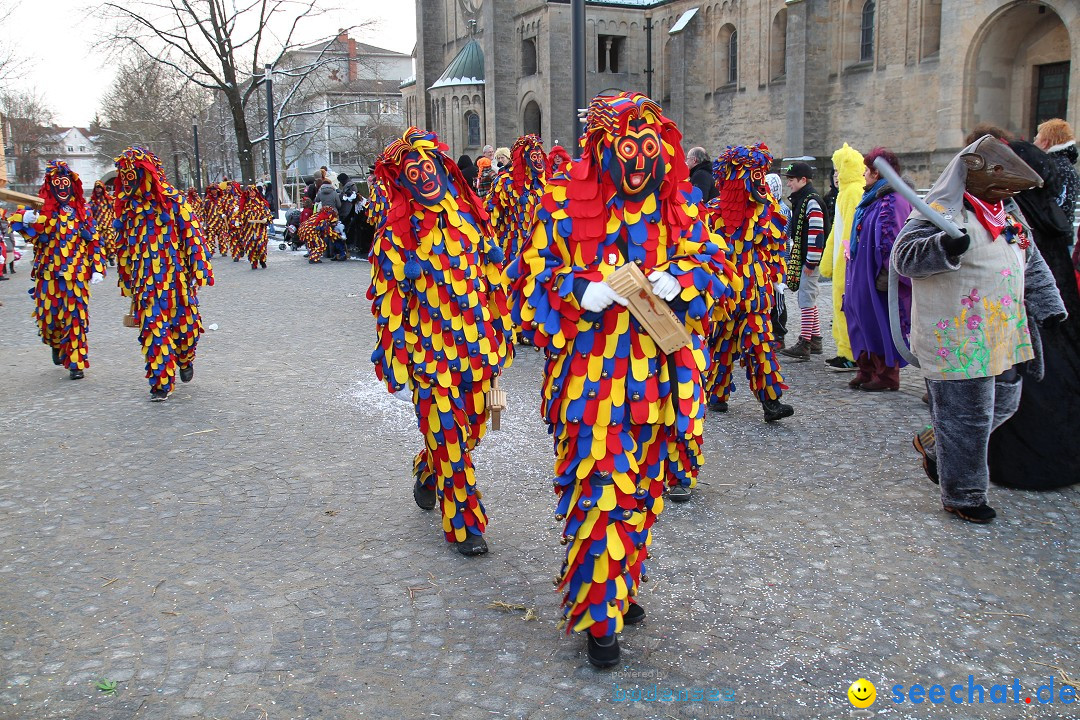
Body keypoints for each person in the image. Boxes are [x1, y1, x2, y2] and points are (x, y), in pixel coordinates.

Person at [508, 92, 737, 668]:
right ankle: (599, 615)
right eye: (627, 148)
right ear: (604, 150)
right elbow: (527, 280)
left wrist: (681, 276)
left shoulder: (681, 207)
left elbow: (720, 266)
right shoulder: (561, 203)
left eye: (649, 149)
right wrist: (580, 290)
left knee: (641, 495)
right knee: (598, 494)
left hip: (661, 383)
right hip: (591, 386)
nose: (639, 162)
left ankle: (620, 582)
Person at [895, 135, 1064, 523]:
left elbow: (1031, 263)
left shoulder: (1008, 213)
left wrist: (1049, 308)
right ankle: (963, 494)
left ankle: (938, 445)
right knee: (967, 418)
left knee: (1005, 402)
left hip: (1004, 332)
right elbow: (904, 258)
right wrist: (944, 247)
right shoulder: (942, 210)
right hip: (959, 335)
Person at [368, 127, 512, 557]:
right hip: (431, 356)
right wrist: (393, 355)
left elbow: (491, 278)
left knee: (472, 432)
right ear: (403, 181)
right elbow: (388, 302)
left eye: (428, 167)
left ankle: (427, 469)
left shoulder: (471, 217)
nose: (425, 176)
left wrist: (501, 329)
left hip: (478, 350)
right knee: (449, 434)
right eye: (414, 171)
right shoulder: (397, 235)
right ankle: (463, 524)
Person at [987, 140, 1080, 490]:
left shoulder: (1019, 211)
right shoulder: (1043, 208)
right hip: (1057, 324)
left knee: (1023, 394)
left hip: (1030, 322)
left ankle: (1019, 463)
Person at [112, 147, 214, 401]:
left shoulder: (175, 202)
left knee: (186, 331)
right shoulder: (128, 212)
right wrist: (127, 279)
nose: (129, 181)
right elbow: (123, 247)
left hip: (177, 283)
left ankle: (185, 358)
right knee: (153, 332)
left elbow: (194, 237)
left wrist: (199, 267)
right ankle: (160, 384)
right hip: (146, 288)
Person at [702, 144, 793, 425]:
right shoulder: (713, 214)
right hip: (725, 295)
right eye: (751, 174)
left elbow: (776, 245)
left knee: (759, 342)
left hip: (755, 294)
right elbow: (704, 251)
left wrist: (777, 275)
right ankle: (715, 394)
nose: (757, 180)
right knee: (721, 345)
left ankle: (771, 402)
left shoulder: (767, 211)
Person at [9, 160, 106, 380]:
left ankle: (76, 363)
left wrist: (97, 267)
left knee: (75, 319)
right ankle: (55, 342)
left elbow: (94, 241)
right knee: (48, 320)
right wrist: (25, 220)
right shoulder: (41, 210)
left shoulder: (83, 213)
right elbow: (21, 228)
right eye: (58, 183)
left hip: (76, 277)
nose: (62, 187)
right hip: (48, 276)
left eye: (66, 183)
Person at [844, 148, 912, 392]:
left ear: (877, 172)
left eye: (867, 170)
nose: (863, 174)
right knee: (859, 318)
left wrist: (889, 274)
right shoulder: (873, 197)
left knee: (879, 321)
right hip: (861, 271)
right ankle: (867, 368)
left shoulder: (894, 200)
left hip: (878, 276)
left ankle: (886, 375)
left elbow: (894, 239)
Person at [818, 144, 864, 372]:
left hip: (848, 262)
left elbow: (851, 231)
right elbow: (836, 231)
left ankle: (851, 353)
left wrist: (845, 260)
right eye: (834, 172)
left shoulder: (854, 192)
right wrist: (828, 262)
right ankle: (843, 349)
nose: (836, 176)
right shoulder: (844, 194)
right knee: (839, 306)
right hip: (842, 260)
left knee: (847, 307)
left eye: (839, 171)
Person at [779, 161, 829, 360]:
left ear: (803, 180)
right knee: (808, 297)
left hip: (809, 260)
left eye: (791, 180)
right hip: (806, 258)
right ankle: (815, 339)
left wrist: (811, 261)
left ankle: (805, 342)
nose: (789, 184)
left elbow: (817, 234)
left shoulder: (811, 201)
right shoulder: (804, 199)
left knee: (806, 300)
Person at [486, 134, 546, 265]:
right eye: (533, 156)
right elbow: (490, 215)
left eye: (539, 156)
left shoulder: (542, 184)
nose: (537, 161)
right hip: (511, 247)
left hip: (539, 248)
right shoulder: (504, 182)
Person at [765, 173, 790, 348]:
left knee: (778, 298)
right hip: (768, 260)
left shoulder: (782, 210)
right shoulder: (767, 208)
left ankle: (779, 334)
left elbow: (781, 236)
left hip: (779, 260)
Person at [1033, 119, 1079, 217]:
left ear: (1045, 143)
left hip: (1049, 229)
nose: (1034, 143)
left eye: (1036, 139)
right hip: (1060, 228)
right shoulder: (1064, 165)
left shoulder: (1052, 167)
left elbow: (1055, 206)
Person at [239, 185, 272, 269]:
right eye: (250, 192)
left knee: (261, 245)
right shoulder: (245, 204)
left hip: (260, 228)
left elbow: (267, 213)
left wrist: (266, 218)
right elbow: (240, 215)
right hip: (248, 229)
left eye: (253, 191)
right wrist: (241, 220)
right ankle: (253, 262)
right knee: (250, 246)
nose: (252, 193)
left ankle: (262, 260)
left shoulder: (261, 202)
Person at [90, 181, 118, 267]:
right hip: (98, 227)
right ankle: (103, 259)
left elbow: (115, 207)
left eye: (99, 188)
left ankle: (111, 257)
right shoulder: (93, 201)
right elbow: (89, 211)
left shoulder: (109, 199)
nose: (98, 190)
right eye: (96, 188)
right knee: (100, 244)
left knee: (109, 242)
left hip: (108, 225)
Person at [337, 172, 362, 257]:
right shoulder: (352, 184)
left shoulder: (348, 186)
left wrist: (340, 195)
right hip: (351, 210)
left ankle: (347, 247)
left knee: (346, 229)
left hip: (347, 210)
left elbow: (346, 197)